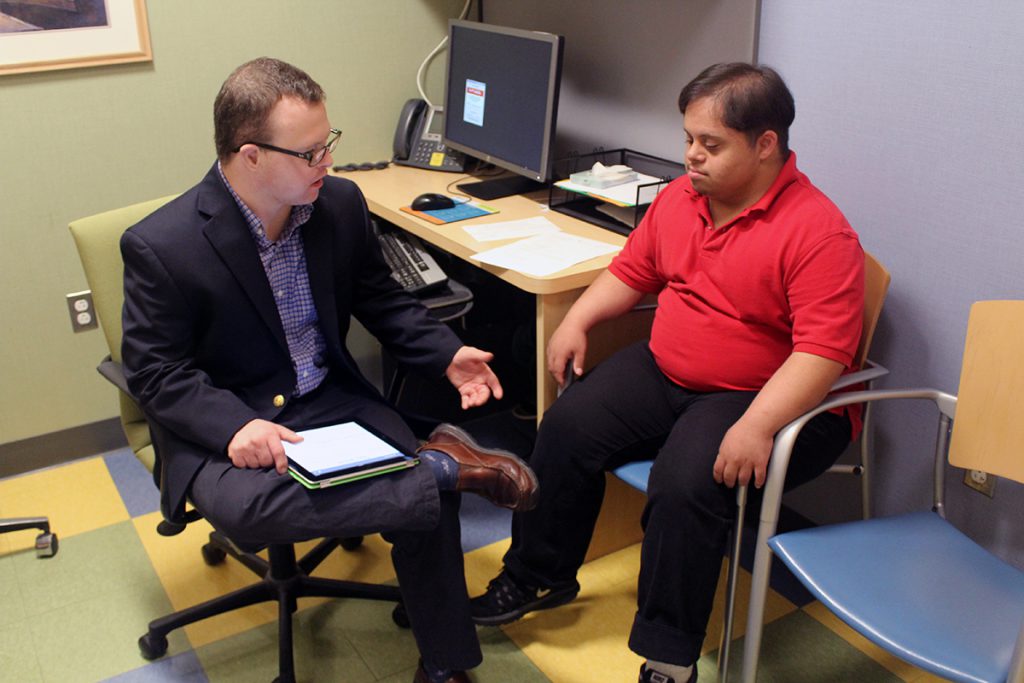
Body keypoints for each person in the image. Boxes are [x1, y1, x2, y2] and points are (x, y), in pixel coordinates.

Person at [120, 57, 539, 683]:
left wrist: (442, 352)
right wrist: (235, 426)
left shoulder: (338, 204)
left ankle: (446, 663)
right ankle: (441, 467)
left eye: (328, 144)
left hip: (328, 396)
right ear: (250, 155)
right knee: (251, 514)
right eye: (309, 153)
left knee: (421, 503)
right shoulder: (164, 244)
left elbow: (380, 297)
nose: (328, 165)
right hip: (231, 416)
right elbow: (155, 372)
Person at [470, 63, 865, 683]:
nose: (691, 157)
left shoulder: (819, 232)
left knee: (686, 486)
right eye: (688, 139)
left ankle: (668, 656)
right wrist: (577, 321)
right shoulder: (684, 198)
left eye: (710, 145)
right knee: (567, 425)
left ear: (766, 145)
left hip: (759, 394)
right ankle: (536, 576)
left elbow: (821, 354)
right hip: (667, 371)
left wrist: (759, 424)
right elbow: (633, 271)